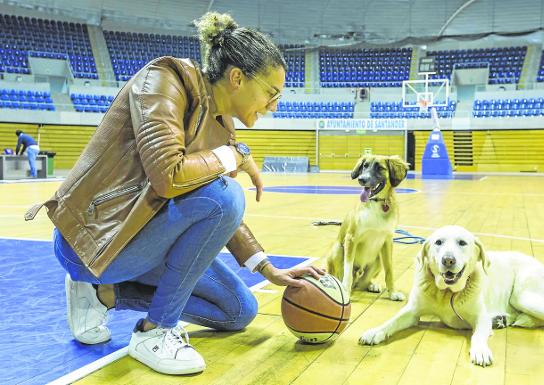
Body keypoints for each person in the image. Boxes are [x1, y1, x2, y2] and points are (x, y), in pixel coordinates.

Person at [25, 11, 324, 376]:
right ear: (236, 78)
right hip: (92, 242)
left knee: (238, 311)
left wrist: (267, 268)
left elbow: (214, 209)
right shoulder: (163, 81)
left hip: (146, 239)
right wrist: (235, 155)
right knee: (227, 195)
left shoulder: (221, 126)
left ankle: (102, 295)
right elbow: (169, 177)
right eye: (271, 93)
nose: (274, 105)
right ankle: (155, 332)